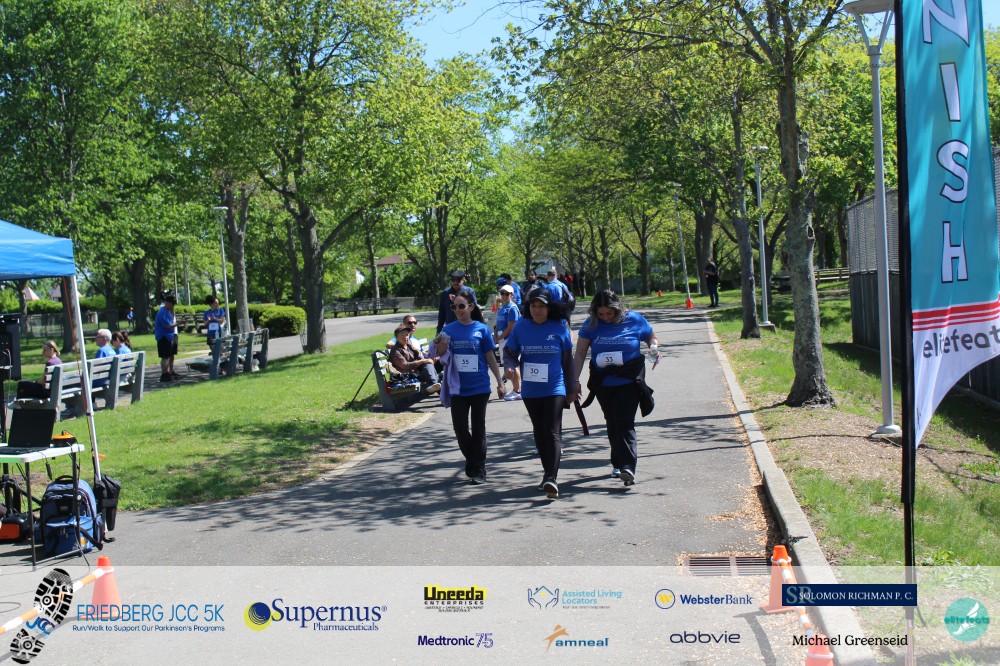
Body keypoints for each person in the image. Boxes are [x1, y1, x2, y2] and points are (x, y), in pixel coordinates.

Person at [572, 290, 659, 486]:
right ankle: (618, 463)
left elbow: (651, 336)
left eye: (609, 313)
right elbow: (580, 353)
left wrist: (653, 348)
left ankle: (628, 467)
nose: (605, 317)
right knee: (612, 421)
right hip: (603, 382)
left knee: (624, 422)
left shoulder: (634, 319)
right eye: (600, 314)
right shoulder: (590, 324)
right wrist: (574, 380)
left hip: (629, 380)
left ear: (618, 309)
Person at [503, 290, 576, 498]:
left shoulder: (559, 326)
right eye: (533, 306)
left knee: (552, 430)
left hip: (555, 387)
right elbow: (509, 352)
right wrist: (510, 366)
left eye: (542, 306)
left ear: (549, 308)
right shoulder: (521, 327)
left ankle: (552, 477)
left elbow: (567, 361)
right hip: (531, 390)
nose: (537, 310)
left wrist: (571, 388)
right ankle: (547, 475)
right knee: (540, 431)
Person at [432, 290, 505, 485]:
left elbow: (490, 356)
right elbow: (439, 353)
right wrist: (440, 346)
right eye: (454, 307)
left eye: (461, 306)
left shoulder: (482, 329)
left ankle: (479, 469)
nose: (457, 310)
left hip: (479, 386)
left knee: (478, 428)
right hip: (457, 387)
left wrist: (499, 381)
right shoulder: (448, 329)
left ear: (471, 307)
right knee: (460, 429)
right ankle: (472, 459)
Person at [388, 326, 441, 395]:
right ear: (396, 337)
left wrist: (429, 359)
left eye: (406, 335)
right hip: (406, 376)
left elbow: (419, 356)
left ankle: (434, 385)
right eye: (402, 335)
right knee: (430, 367)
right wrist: (423, 361)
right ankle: (435, 385)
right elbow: (405, 365)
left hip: (416, 372)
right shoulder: (395, 350)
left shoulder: (408, 345)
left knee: (439, 362)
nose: (405, 337)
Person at [494, 284, 522, 401]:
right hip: (502, 340)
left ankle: (517, 391)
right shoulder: (502, 308)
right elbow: (498, 325)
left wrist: (499, 338)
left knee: (512, 365)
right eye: (502, 293)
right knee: (508, 364)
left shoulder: (512, 308)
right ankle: (509, 384)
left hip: (509, 340)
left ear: (512, 295)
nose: (504, 296)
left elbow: (511, 328)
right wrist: (496, 336)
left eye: (507, 294)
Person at [437, 269, 477, 334]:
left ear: (463, 279)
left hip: (467, 329)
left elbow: (474, 310)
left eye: (458, 280)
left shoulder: (469, 291)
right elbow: (442, 314)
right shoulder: (446, 293)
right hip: (451, 329)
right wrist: (438, 331)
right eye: (453, 280)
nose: (455, 282)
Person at [155, 293, 180, 383]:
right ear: (168, 303)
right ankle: (164, 374)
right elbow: (167, 326)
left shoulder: (167, 312)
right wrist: (179, 323)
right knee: (165, 357)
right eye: (172, 304)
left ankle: (167, 373)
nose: (173, 306)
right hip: (163, 337)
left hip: (168, 337)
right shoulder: (162, 312)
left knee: (168, 356)